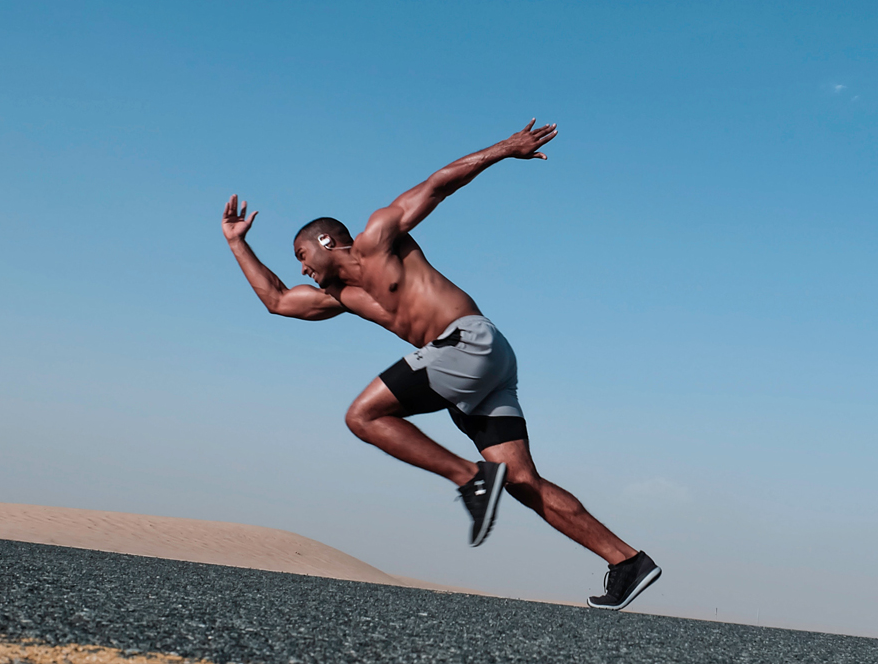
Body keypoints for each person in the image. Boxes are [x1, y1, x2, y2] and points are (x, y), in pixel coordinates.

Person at [221, 120, 660, 609]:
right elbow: (277, 301)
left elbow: (438, 184)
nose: (301, 268)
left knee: (362, 416)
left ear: (325, 244)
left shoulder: (379, 237)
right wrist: (237, 242)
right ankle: (626, 561)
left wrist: (506, 149)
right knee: (520, 481)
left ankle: (467, 477)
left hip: (467, 342)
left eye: (301, 255)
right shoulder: (340, 297)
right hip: (480, 369)